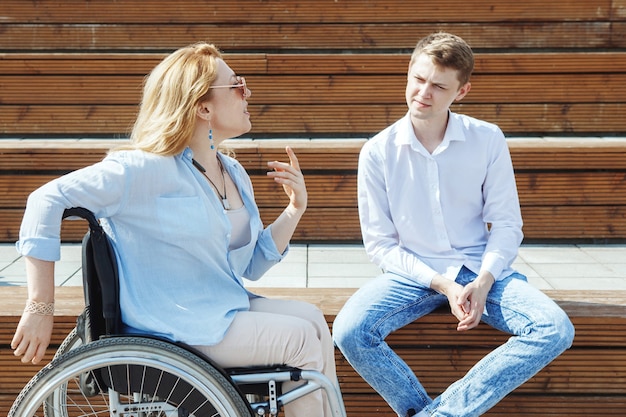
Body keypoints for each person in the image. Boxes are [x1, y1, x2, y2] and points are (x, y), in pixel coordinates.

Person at [11, 42, 338, 417]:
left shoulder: (233, 173)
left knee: (311, 319)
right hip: (173, 322)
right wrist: (40, 306)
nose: (247, 92)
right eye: (236, 85)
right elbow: (44, 200)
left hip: (219, 305)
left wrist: (295, 210)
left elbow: (249, 266)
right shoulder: (144, 169)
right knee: (298, 340)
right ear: (203, 107)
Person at [332, 32, 575, 417]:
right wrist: (443, 284)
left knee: (555, 328)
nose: (423, 92)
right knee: (349, 331)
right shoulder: (377, 151)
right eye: (418, 79)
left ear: (461, 92)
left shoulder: (487, 139)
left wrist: (483, 280)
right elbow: (380, 245)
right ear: (409, 73)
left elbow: (508, 225)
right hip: (413, 273)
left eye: (439, 86)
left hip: (480, 268)